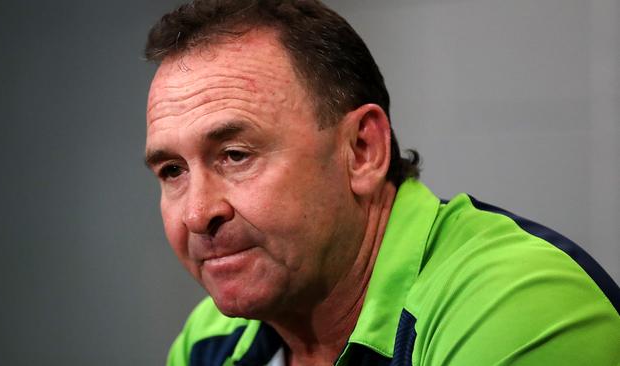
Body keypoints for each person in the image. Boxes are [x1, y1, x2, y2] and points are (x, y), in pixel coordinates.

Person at [143, 1, 620, 365]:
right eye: (173, 171)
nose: (197, 213)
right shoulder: (211, 339)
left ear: (362, 152)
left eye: (235, 155)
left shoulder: (519, 306)